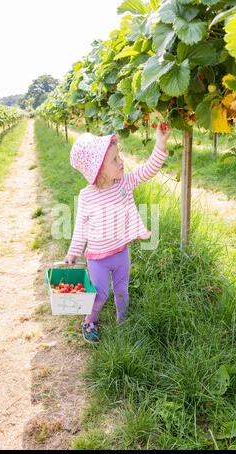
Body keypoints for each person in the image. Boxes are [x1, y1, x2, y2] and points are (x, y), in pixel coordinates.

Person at [64, 122, 171, 343]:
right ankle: (90, 320)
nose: (121, 161)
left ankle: (123, 321)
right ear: (97, 170)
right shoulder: (87, 196)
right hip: (98, 259)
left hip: (121, 252)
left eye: (119, 156)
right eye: (114, 160)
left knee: (122, 290)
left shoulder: (124, 183)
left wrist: (161, 142)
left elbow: (148, 170)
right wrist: (73, 252)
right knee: (100, 294)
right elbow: (80, 227)